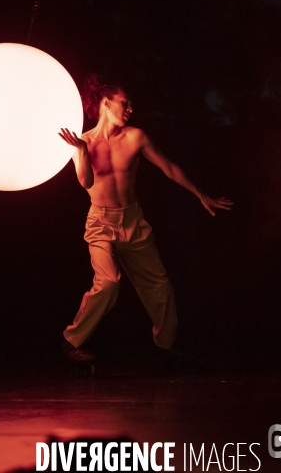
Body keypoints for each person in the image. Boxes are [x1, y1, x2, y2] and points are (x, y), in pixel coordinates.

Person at [59, 75, 232, 363]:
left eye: (130, 105)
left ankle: (165, 347)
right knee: (109, 282)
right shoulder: (83, 142)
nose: (129, 109)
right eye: (124, 103)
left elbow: (168, 167)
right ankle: (71, 341)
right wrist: (80, 151)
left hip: (133, 220)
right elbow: (87, 182)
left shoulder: (135, 137)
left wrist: (200, 194)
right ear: (106, 103)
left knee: (160, 286)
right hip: (101, 222)